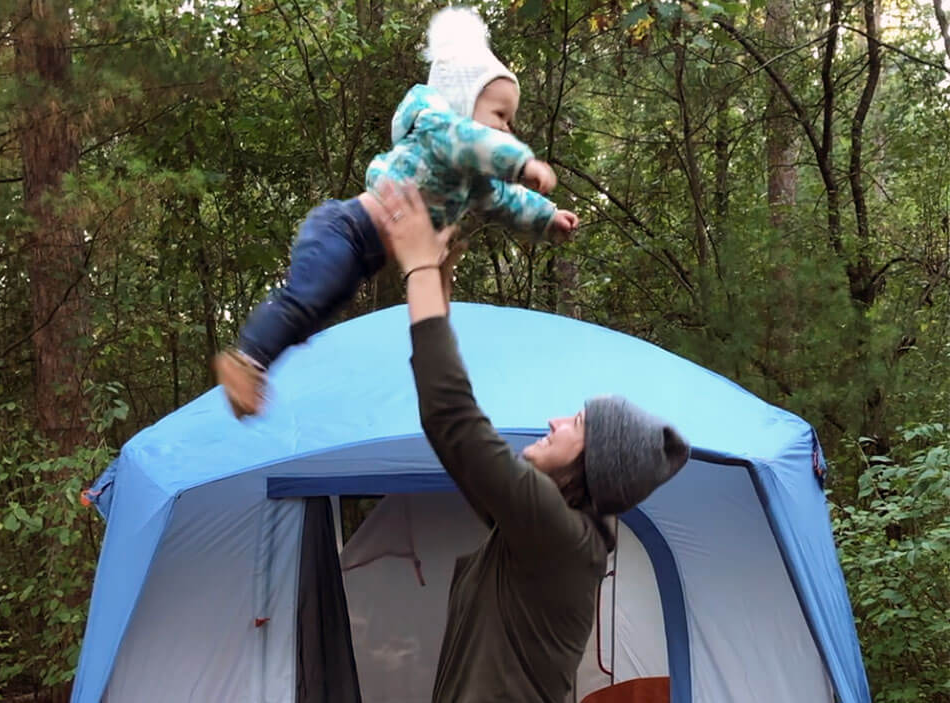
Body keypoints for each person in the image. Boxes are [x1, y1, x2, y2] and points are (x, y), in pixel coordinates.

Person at [374, 180, 690, 703]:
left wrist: (420, 272)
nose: (554, 420)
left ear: (593, 467)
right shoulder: (544, 529)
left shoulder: (558, 535)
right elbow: (458, 443)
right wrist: (440, 288)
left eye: (577, 424)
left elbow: (452, 419)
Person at [216, 6, 579, 418]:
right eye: (500, 115)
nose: (506, 129)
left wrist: (547, 216)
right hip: (346, 230)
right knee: (307, 299)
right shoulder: (441, 131)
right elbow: (476, 141)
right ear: (463, 102)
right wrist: (525, 163)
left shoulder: (471, 179)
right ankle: (246, 359)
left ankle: (256, 369)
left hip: (362, 254)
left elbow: (505, 199)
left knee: (315, 313)